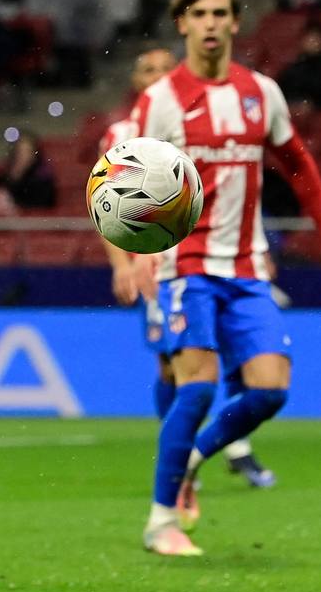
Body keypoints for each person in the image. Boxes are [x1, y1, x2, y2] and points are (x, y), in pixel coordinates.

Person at [129, 0, 321, 557]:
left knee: (272, 389)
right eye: (198, 14)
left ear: (235, 21)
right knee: (197, 387)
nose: (210, 24)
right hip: (187, 264)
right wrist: (140, 256)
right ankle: (161, 520)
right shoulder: (160, 103)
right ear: (182, 24)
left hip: (249, 266)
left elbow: (299, 166)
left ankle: (195, 459)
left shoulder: (261, 93)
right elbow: (132, 190)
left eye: (220, 13)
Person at [97, 45, 277, 488]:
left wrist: (254, 242)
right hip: (157, 262)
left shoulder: (195, 116)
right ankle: (182, 458)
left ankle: (235, 447)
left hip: (215, 257)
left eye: (164, 68)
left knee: (235, 355)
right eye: (147, 69)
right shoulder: (121, 133)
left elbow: (227, 183)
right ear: (136, 81)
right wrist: (125, 262)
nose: (157, 75)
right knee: (170, 364)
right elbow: (108, 205)